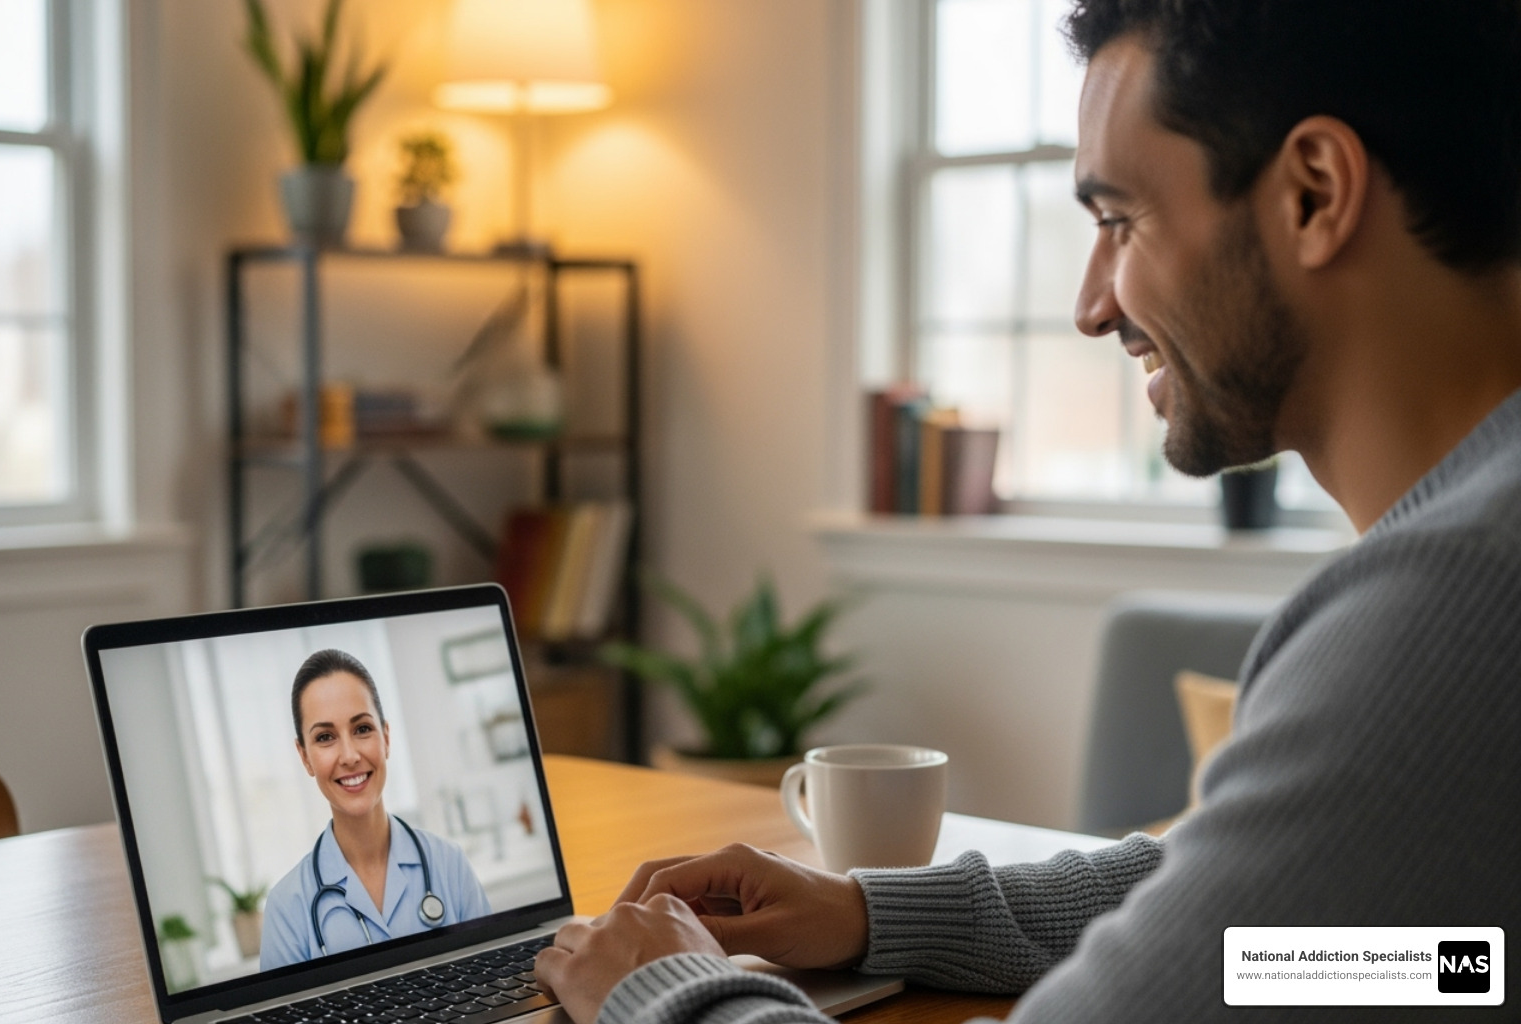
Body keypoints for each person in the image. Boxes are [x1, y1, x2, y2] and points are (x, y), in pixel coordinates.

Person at [531, 1, 1521, 1021]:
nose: (1092, 305)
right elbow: (1407, 962)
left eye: (1118, 221)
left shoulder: (1458, 602)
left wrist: (660, 988)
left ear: (1314, 192)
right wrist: (870, 913)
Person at [259, 649, 491, 969]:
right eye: (325, 737)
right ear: (305, 757)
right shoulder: (287, 909)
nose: (350, 755)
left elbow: (489, 983)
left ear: (386, 736)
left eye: (362, 729)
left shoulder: (449, 865)